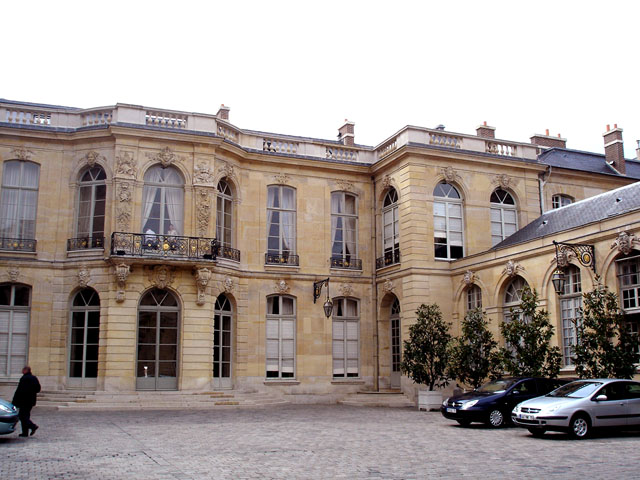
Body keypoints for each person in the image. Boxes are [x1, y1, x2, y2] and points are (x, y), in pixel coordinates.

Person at [12, 366, 41, 437]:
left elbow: (19, 391)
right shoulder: (34, 378)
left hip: (23, 401)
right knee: (26, 415)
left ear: (25, 370)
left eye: (22, 370)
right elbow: (38, 389)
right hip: (31, 401)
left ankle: (32, 426)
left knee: (22, 416)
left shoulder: (24, 378)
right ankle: (25, 432)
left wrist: (15, 401)